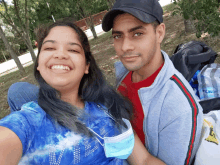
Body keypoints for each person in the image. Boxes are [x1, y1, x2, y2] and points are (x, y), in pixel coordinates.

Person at [0, 21, 165, 165]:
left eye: (73, 50)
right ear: (38, 64)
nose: (60, 54)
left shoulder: (107, 108)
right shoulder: (26, 124)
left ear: (87, 65)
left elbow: (143, 160)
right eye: (50, 47)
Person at [101, 0, 203, 165]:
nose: (125, 46)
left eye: (137, 33)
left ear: (160, 33)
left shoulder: (179, 109)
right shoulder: (125, 72)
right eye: (118, 36)